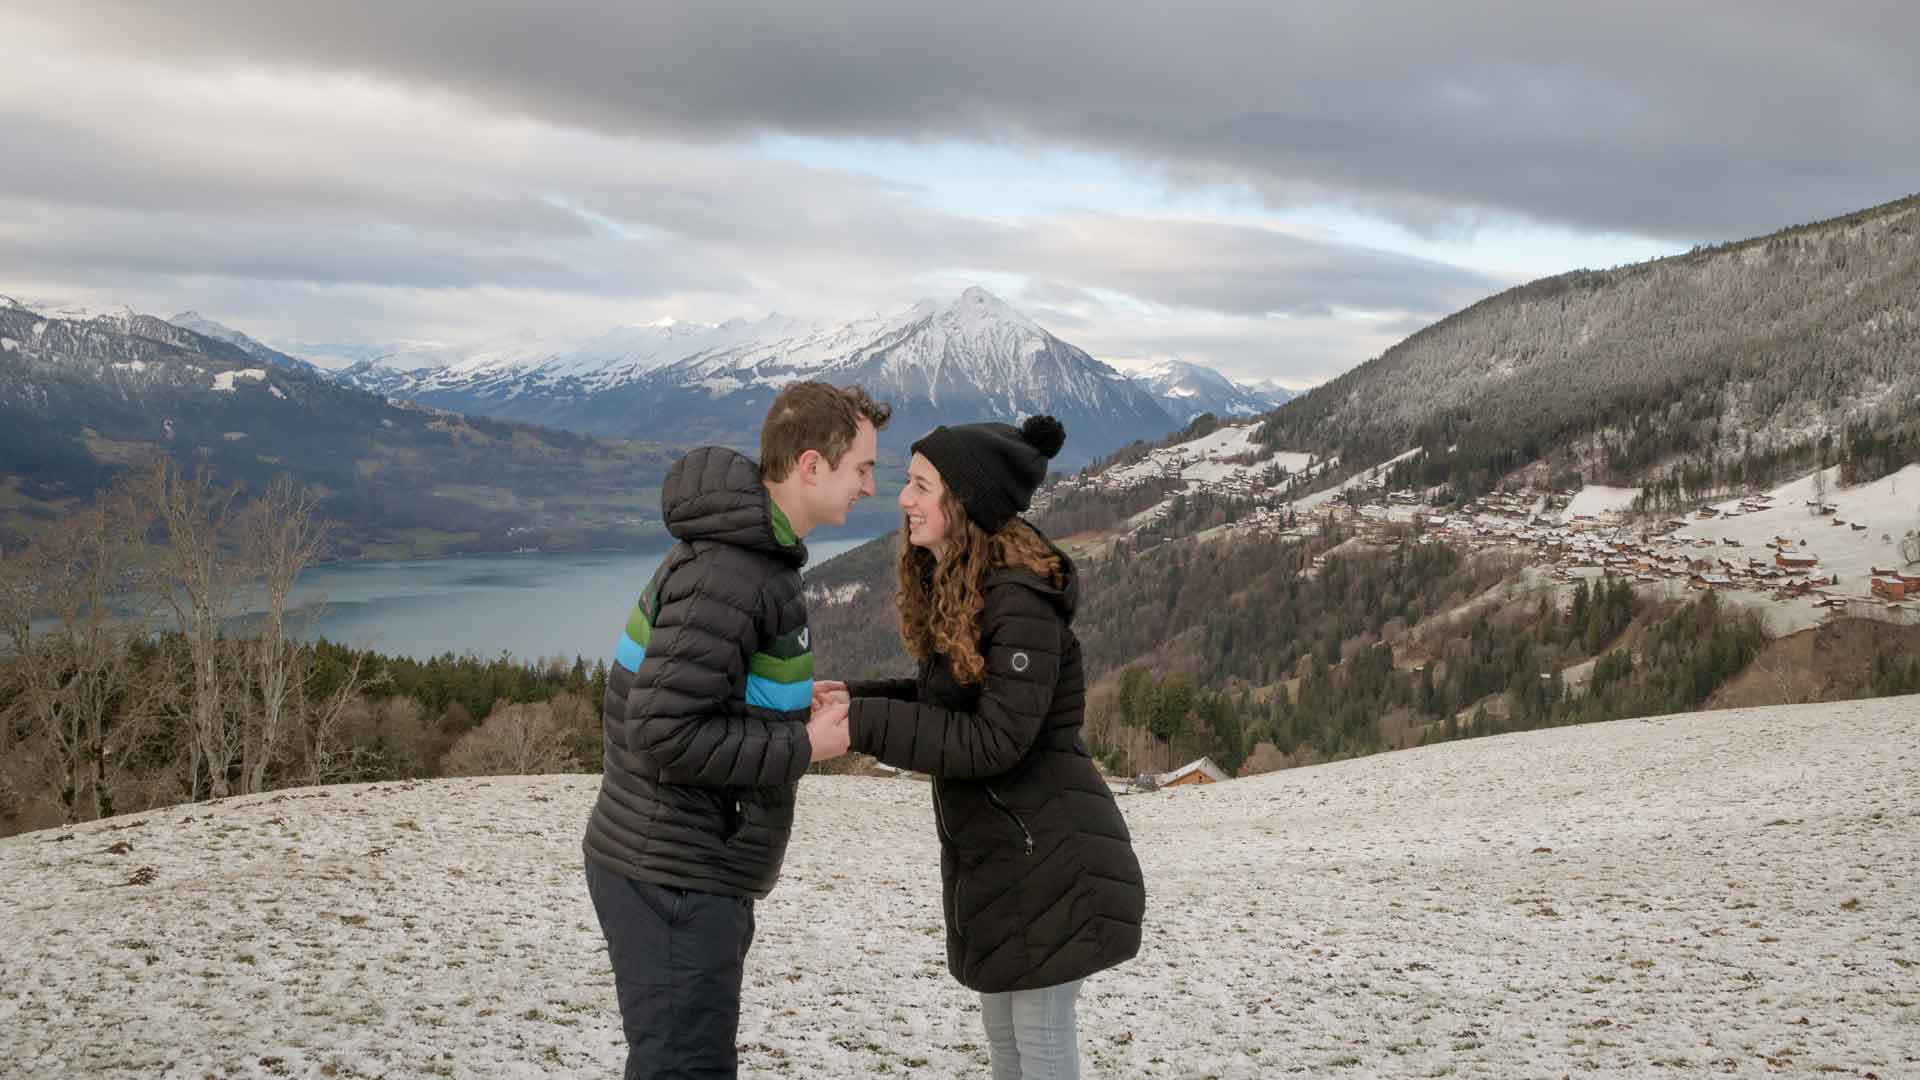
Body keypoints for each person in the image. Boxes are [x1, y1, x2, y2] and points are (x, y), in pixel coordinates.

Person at [818, 415, 1146, 1080]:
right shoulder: (969, 585)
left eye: (920, 485)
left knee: (1041, 1041)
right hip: (1007, 858)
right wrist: (848, 697)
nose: (903, 499)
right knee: (1007, 1039)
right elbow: (950, 700)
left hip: (1053, 858)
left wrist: (861, 725)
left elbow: (995, 739)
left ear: (964, 502)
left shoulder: (1018, 599)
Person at [582, 381, 888, 1080]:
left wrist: (780, 703)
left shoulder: (745, 557)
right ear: (812, 465)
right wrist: (803, 745)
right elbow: (662, 731)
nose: (871, 487)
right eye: (863, 468)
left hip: (683, 864)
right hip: (673, 876)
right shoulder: (734, 569)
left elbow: (694, 689)